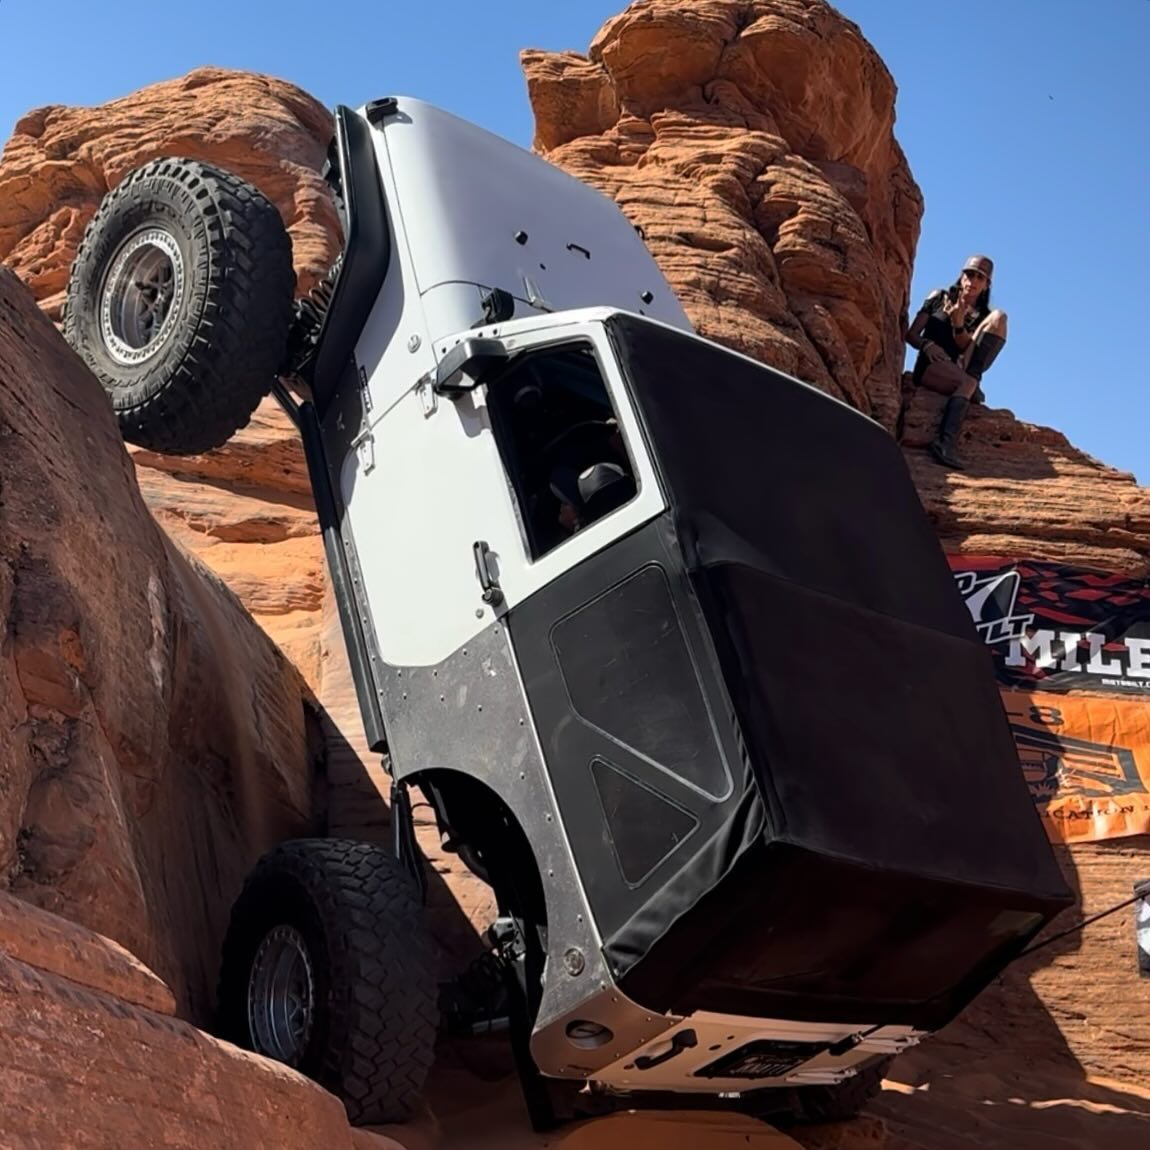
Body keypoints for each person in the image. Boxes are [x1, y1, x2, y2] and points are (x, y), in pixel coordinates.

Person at [905, 254, 1008, 470]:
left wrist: (958, 324)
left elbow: (965, 347)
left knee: (1000, 317)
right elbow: (911, 334)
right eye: (969, 274)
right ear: (961, 276)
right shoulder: (940, 297)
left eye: (980, 277)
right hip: (932, 365)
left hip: (961, 365)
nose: (973, 280)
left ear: (986, 284)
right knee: (967, 384)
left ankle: (972, 382)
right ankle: (944, 443)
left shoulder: (983, 316)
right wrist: (927, 345)